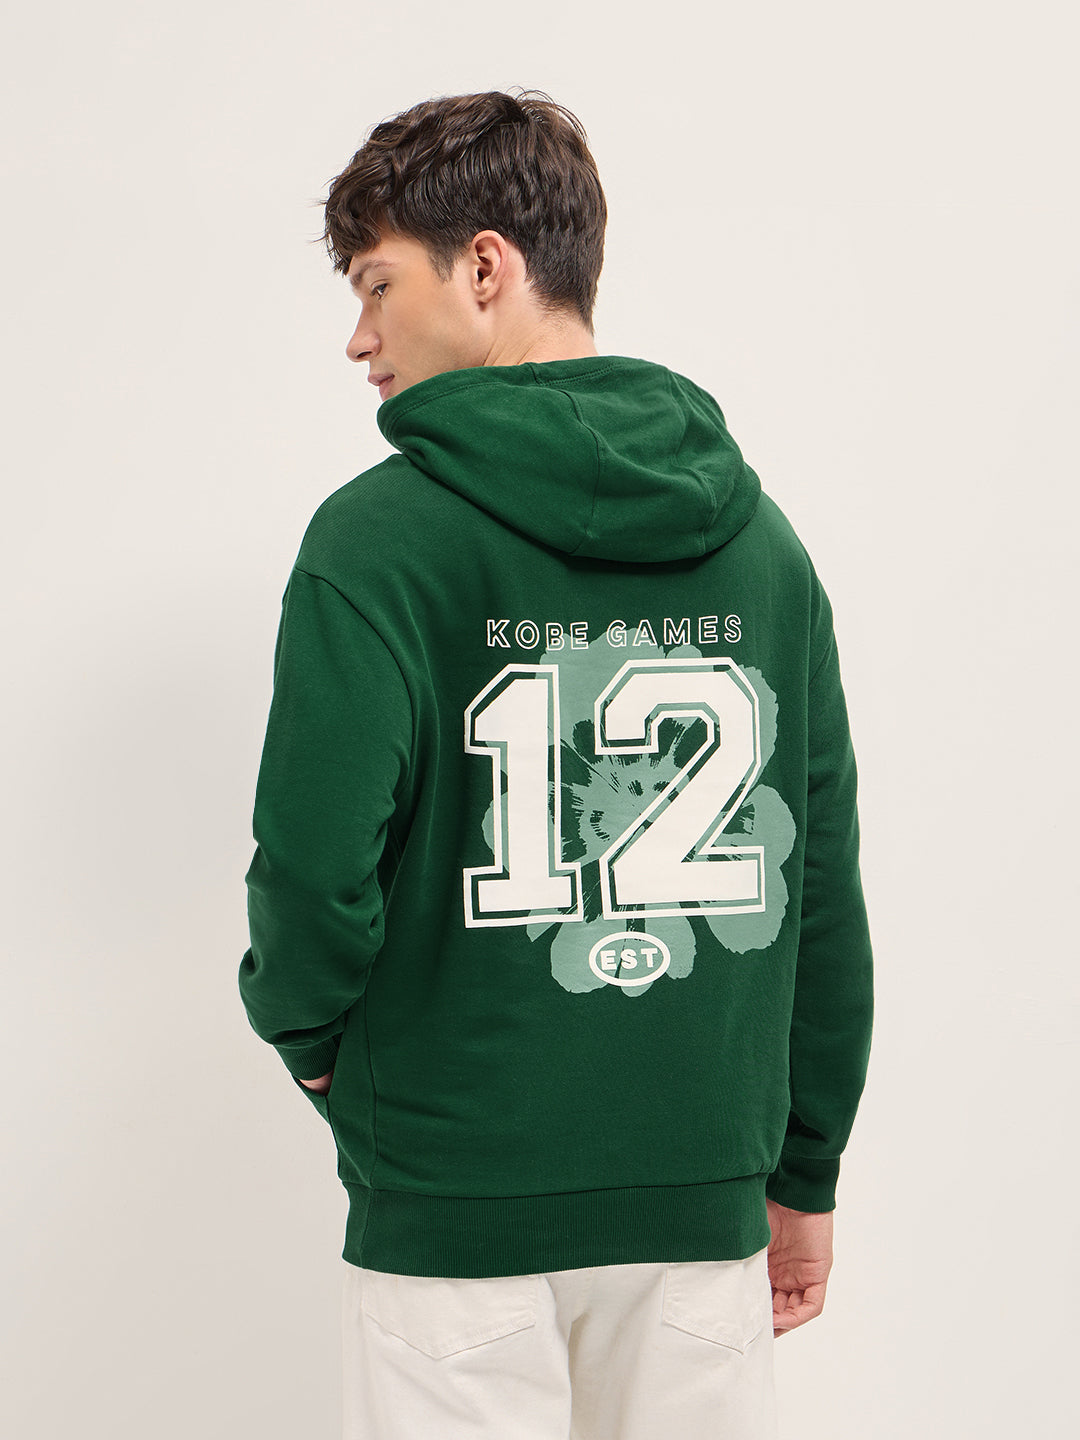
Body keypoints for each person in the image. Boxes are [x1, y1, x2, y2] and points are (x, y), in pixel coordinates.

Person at [238, 87, 874, 1440]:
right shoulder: (764, 547)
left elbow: (310, 865)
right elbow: (819, 881)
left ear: (484, 266)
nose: (359, 338)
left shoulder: (375, 542)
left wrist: (312, 1041)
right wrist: (804, 1167)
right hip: (700, 1194)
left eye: (376, 284)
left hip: (453, 1195)